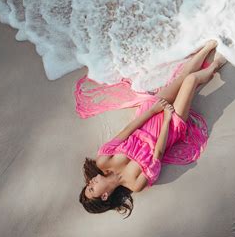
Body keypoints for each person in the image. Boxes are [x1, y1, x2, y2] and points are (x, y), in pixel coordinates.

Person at [78, 40, 227, 217]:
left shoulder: (102, 161)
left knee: (180, 78)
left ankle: (208, 46)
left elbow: (128, 130)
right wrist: (166, 120)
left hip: (148, 114)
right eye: (92, 189)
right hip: (170, 128)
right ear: (104, 196)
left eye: (88, 186)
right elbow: (159, 153)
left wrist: (154, 110)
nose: (91, 182)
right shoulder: (135, 184)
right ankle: (217, 63)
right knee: (190, 81)